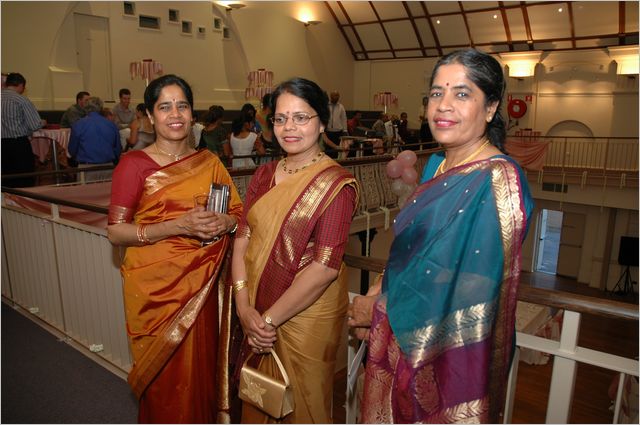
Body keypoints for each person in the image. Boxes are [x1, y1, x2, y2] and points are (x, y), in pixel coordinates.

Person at [348, 49, 534, 423]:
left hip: (446, 358)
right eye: (436, 93)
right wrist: (377, 290)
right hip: (400, 333)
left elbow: (471, 289)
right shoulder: (437, 163)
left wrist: (380, 311)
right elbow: (410, 254)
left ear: (490, 107)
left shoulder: (498, 181)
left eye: (461, 94)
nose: (443, 105)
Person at [107, 74, 243, 423]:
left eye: (182, 105)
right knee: (164, 380)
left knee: (201, 373)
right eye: (164, 107)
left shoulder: (209, 162)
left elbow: (239, 215)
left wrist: (225, 223)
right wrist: (177, 226)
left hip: (204, 286)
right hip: (156, 293)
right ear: (150, 116)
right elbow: (116, 232)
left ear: (192, 113)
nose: (175, 114)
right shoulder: (134, 165)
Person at [231, 77, 359, 423]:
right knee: (258, 397)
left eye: (301, 117)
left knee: (304, 404)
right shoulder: (264, 174)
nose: (289, 127)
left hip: (306, 314)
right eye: (281, 118)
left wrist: (266, 322)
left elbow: (325, 268)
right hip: (255, 304)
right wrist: (243, 306)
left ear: (322, 123)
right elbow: (242, 237)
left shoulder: (335, 184)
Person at [1, 72, 43, 187]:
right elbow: (34, 125)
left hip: (2, 144)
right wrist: (42, 123)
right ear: (20, 85)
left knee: (6, 177)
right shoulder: (21, 100)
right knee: (24, 177)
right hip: (18, 144)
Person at [68, 96, 121, 182]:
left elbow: (72, 150)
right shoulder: (111, 125)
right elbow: (117, 149)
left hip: (86, 168)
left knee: (86, 191)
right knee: (108, 190)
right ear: (101, 108)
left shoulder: (78, 125)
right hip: (108, 167)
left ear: (86, 108)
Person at [325, 90, 348, 158]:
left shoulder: (341, 107)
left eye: (338, 95)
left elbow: (344, 119)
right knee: (328, 150)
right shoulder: (326, 106)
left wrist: (345, 130)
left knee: (337, 150)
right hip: (328, 132)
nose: (336, 97)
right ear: (331, 96)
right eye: (335, 95)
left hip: (338, 132)